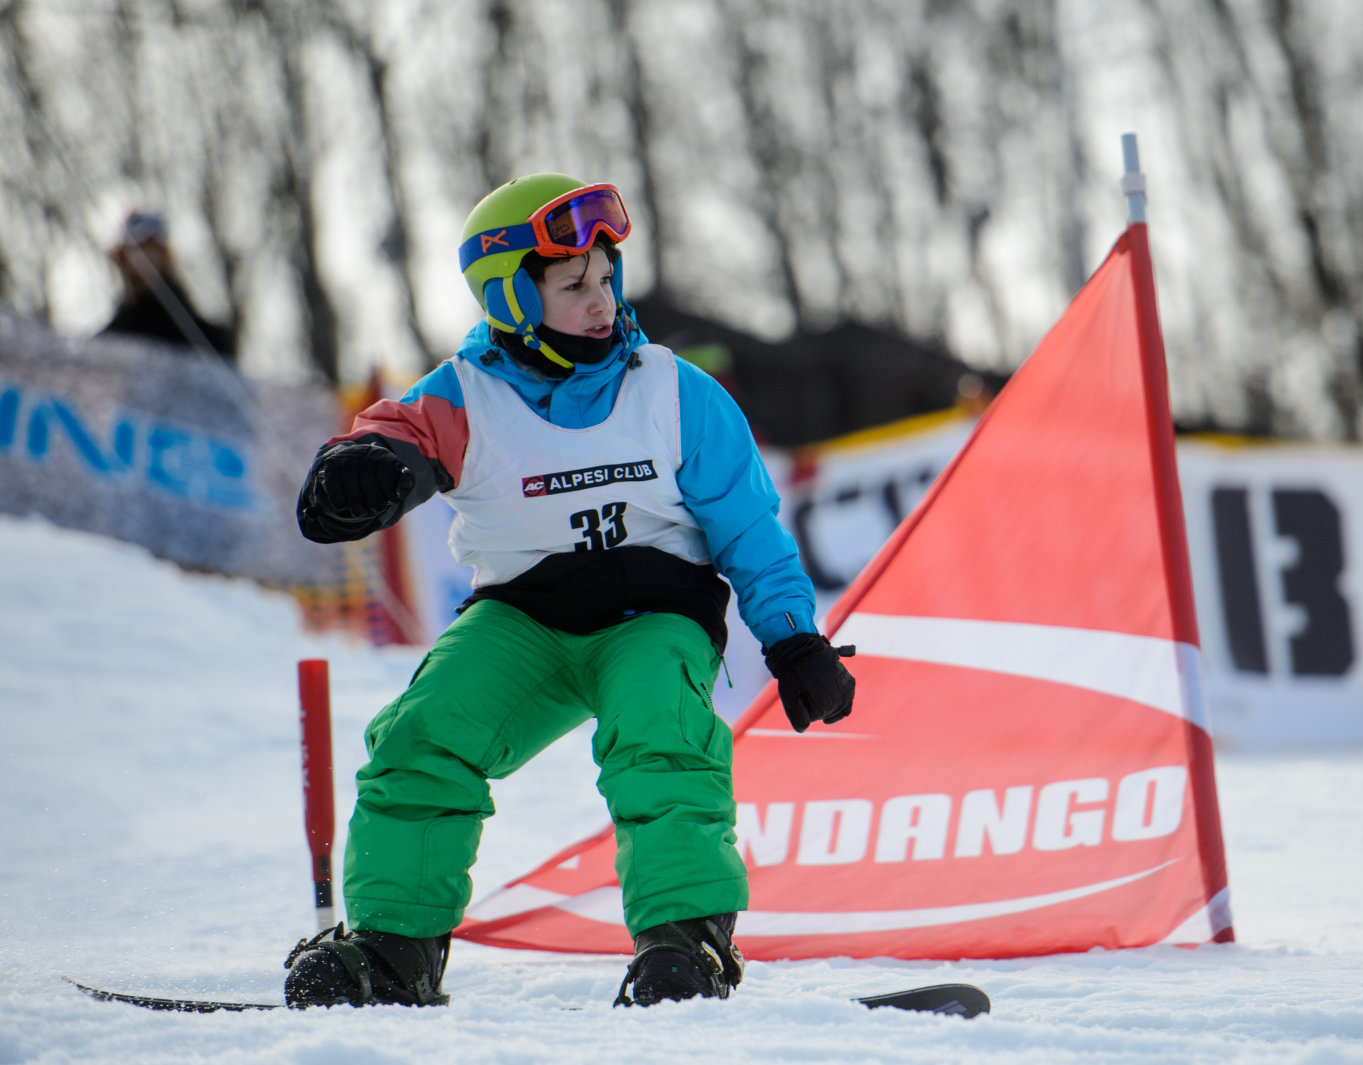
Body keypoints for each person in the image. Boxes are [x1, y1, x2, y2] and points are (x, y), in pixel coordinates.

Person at [281, 174, 856, 1009]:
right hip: (526, 622)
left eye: (606, 277)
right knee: (423, 733)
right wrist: (359, 472)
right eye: (574, 284)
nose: (601, 299)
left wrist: (793, 637)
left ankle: (684, 940)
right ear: (514, 296)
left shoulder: (672, 389)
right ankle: (395, 944)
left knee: (661, 730)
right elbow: (395, 435)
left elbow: (749, 527)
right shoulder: (465, 395)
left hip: (655, 617)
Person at [99, 210, 236, 361]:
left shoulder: (205, 336)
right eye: (138, 249)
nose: (146, 258)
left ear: (167, 255)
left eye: (153, 248)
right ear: (122, 259)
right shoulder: (111, 339)